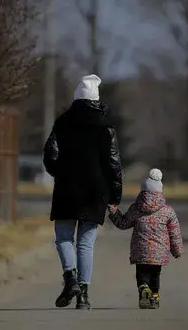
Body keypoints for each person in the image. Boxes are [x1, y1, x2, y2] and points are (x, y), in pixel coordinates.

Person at [43, 74, 123, 310]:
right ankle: (84, 296)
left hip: (67, 187)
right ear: (96, 99)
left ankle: (70, 278)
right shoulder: (106, 127)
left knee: (64, 237)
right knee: (86, 244)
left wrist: (60, 172)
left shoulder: (62, 122)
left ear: (76, 97)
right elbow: (113, 163)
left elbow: (50, 155)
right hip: (96, 190)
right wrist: (115, 195)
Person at [107, 168, 183, 309]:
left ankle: (143, 288)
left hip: (140, 251)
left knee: (142, 274)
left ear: (143, 191)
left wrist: (113, 212)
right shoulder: (167, 211)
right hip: (159, 253)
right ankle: (154, 297)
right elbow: (174, 233)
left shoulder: (137, 208)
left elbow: (123, 223)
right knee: (155, 275)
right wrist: (177, 250)